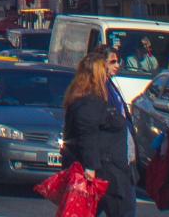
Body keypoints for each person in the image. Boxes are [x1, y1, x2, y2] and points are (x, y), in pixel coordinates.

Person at [62, 50, 137, 217]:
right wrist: (91, 168)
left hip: (114, 170)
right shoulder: (89, 101)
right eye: (106, 67)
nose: (109, 72)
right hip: (105, 173)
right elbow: (87, 135)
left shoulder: (97, 97)